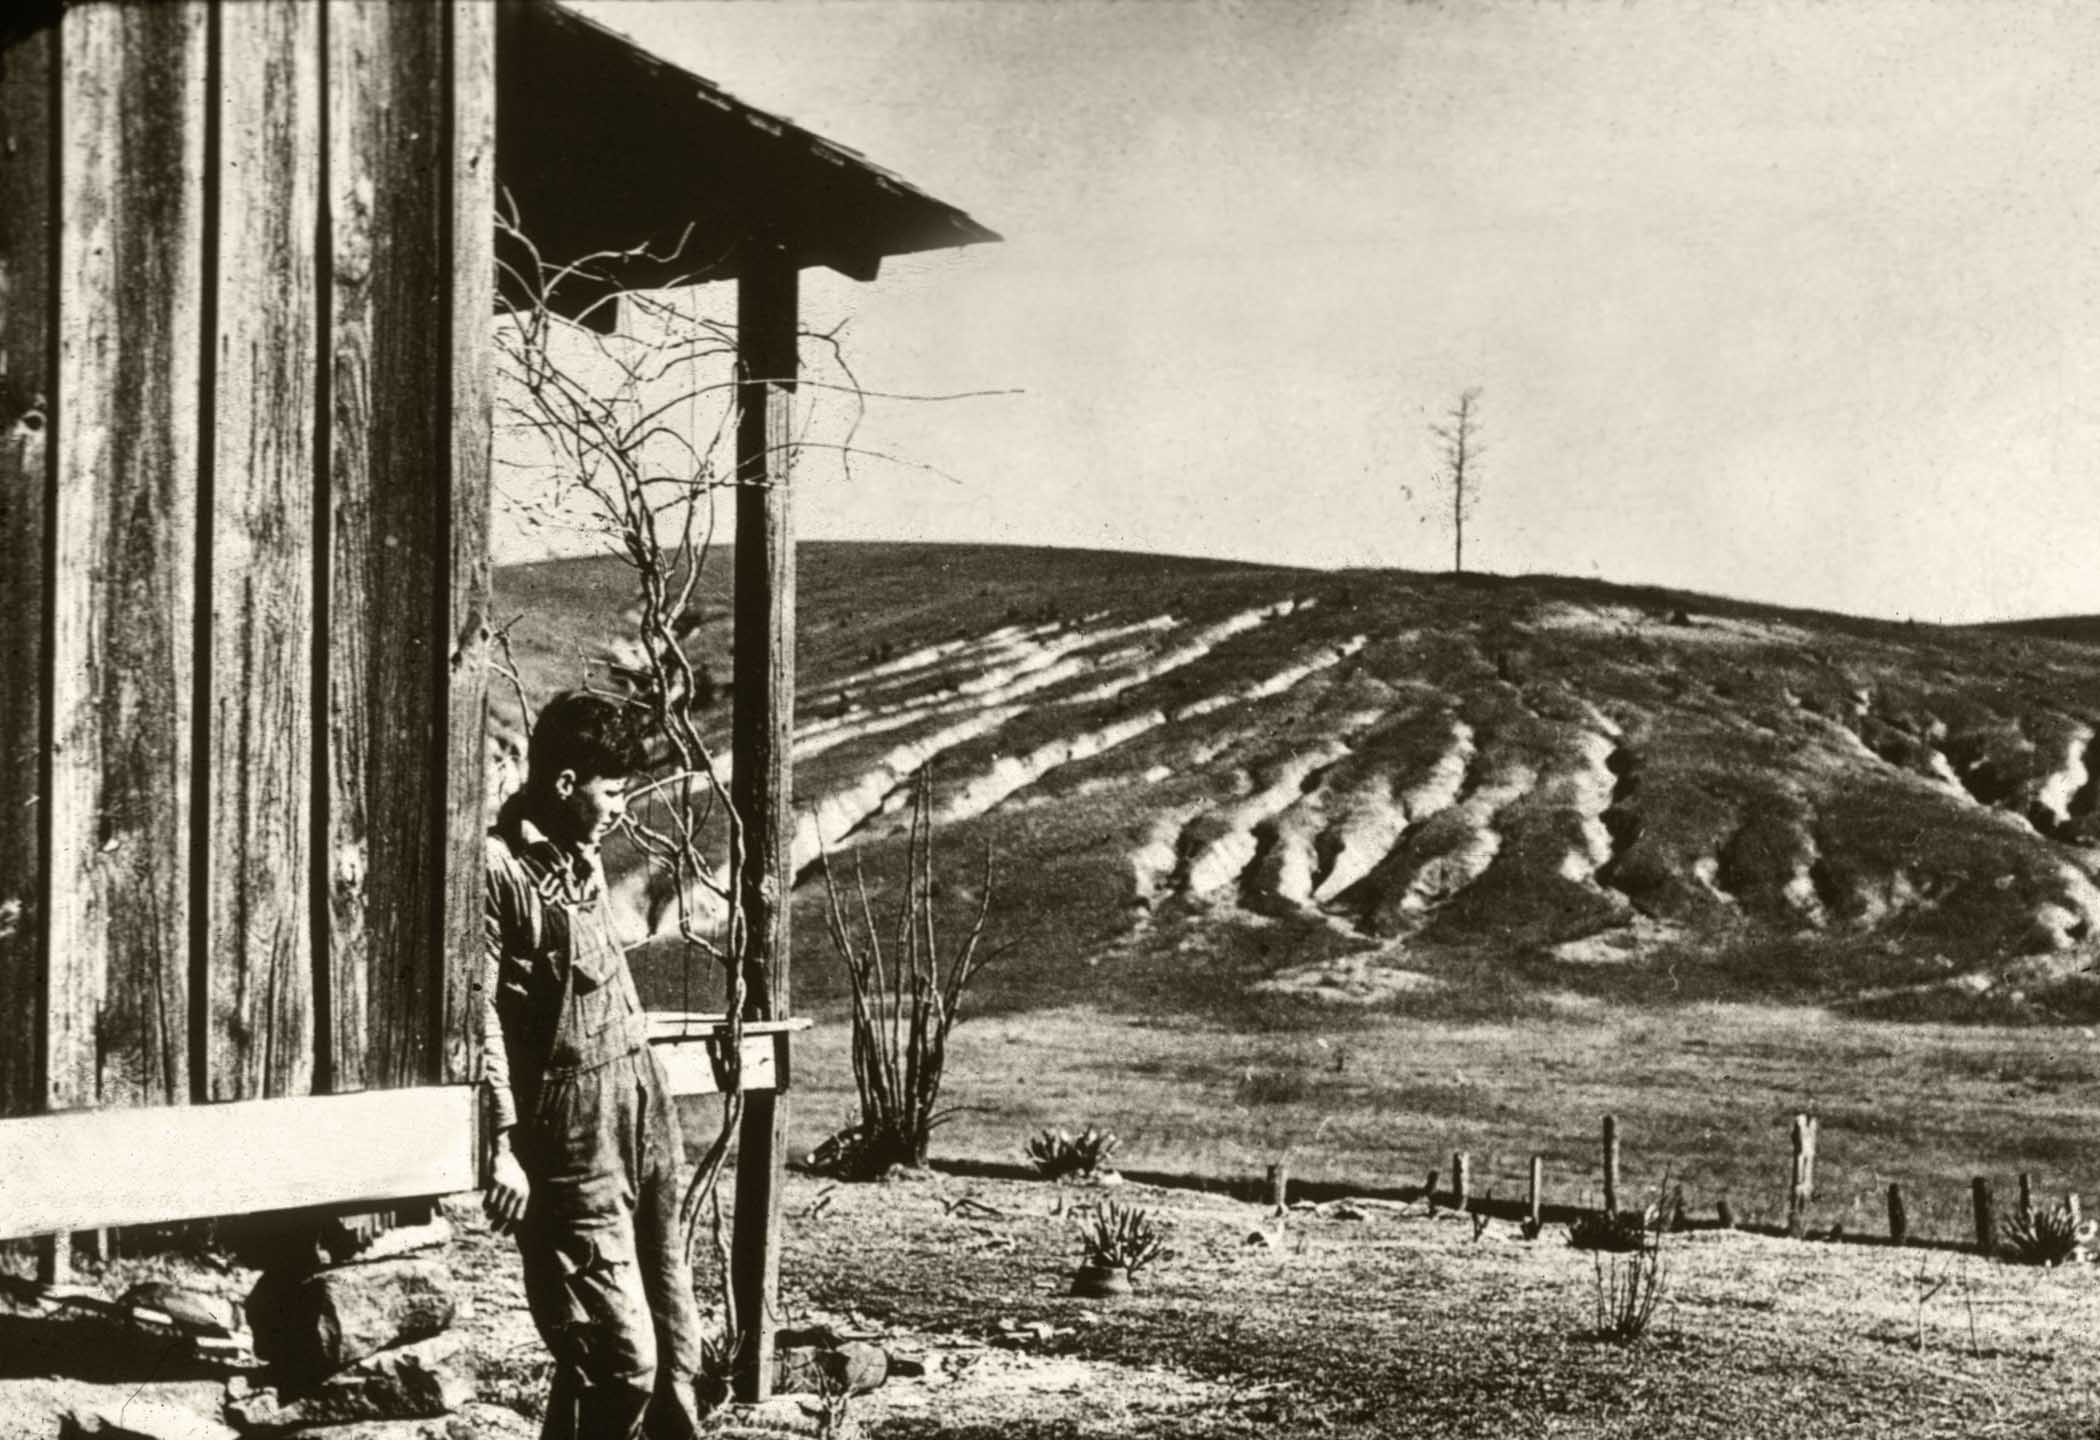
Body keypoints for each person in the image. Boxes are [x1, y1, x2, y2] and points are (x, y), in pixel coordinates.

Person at [480, 690, 702, 1440]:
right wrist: (502, 1143)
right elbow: (476, 1013)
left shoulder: (581, 850)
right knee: (619, 1358)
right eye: (612, 793)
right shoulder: (499, 870)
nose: (621, 809)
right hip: (572, 1141)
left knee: (677, 1349)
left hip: (642, 1111)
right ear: (566, 784)